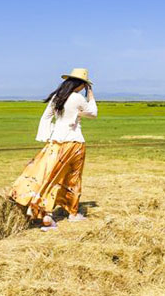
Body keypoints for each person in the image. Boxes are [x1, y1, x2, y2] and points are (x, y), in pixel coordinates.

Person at [9, 68, 98, 227]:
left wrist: (50, 134)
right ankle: (72, 212)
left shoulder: (58, 97)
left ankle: (45, 213)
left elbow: (46, 117)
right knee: (73, 177)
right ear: (82, 84)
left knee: (49, 176)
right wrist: (90, 95)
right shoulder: (78, 98)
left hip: (56, 142)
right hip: (75, 142)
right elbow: (93, 113)